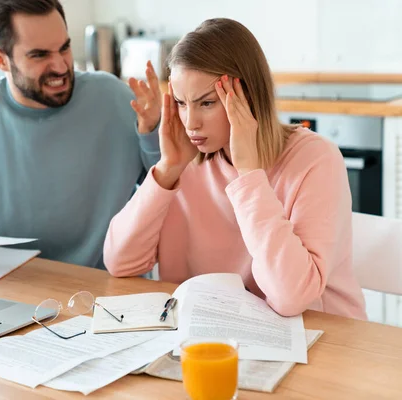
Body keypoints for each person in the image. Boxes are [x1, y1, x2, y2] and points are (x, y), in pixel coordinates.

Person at [103, 18, 367, 319]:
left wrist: (249, 176)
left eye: (206, 103)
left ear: (248, 98)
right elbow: (120, 263)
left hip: (326, 343)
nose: (191, 123)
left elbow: (291, 297)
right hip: (220, 335)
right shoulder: (186, 161)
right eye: (181, 103)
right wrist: (167, 169)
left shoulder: (316, 160)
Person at [0, 0, 162, 270]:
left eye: (64, 48)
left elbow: (166, 188)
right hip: (10, 286)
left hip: (106, 288)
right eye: (39, 55)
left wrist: (153, 134)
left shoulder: (116, 99)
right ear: (0, 59)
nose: (61, 67)